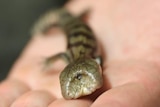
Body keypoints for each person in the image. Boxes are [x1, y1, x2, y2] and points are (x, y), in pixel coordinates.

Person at [1, 0, 160, 107]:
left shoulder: (75, 56)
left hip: (75, 25)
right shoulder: (79, 56)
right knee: (66, 22)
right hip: (71, 25)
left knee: (71, 21)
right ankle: (51, 24)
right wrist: (48, 61)